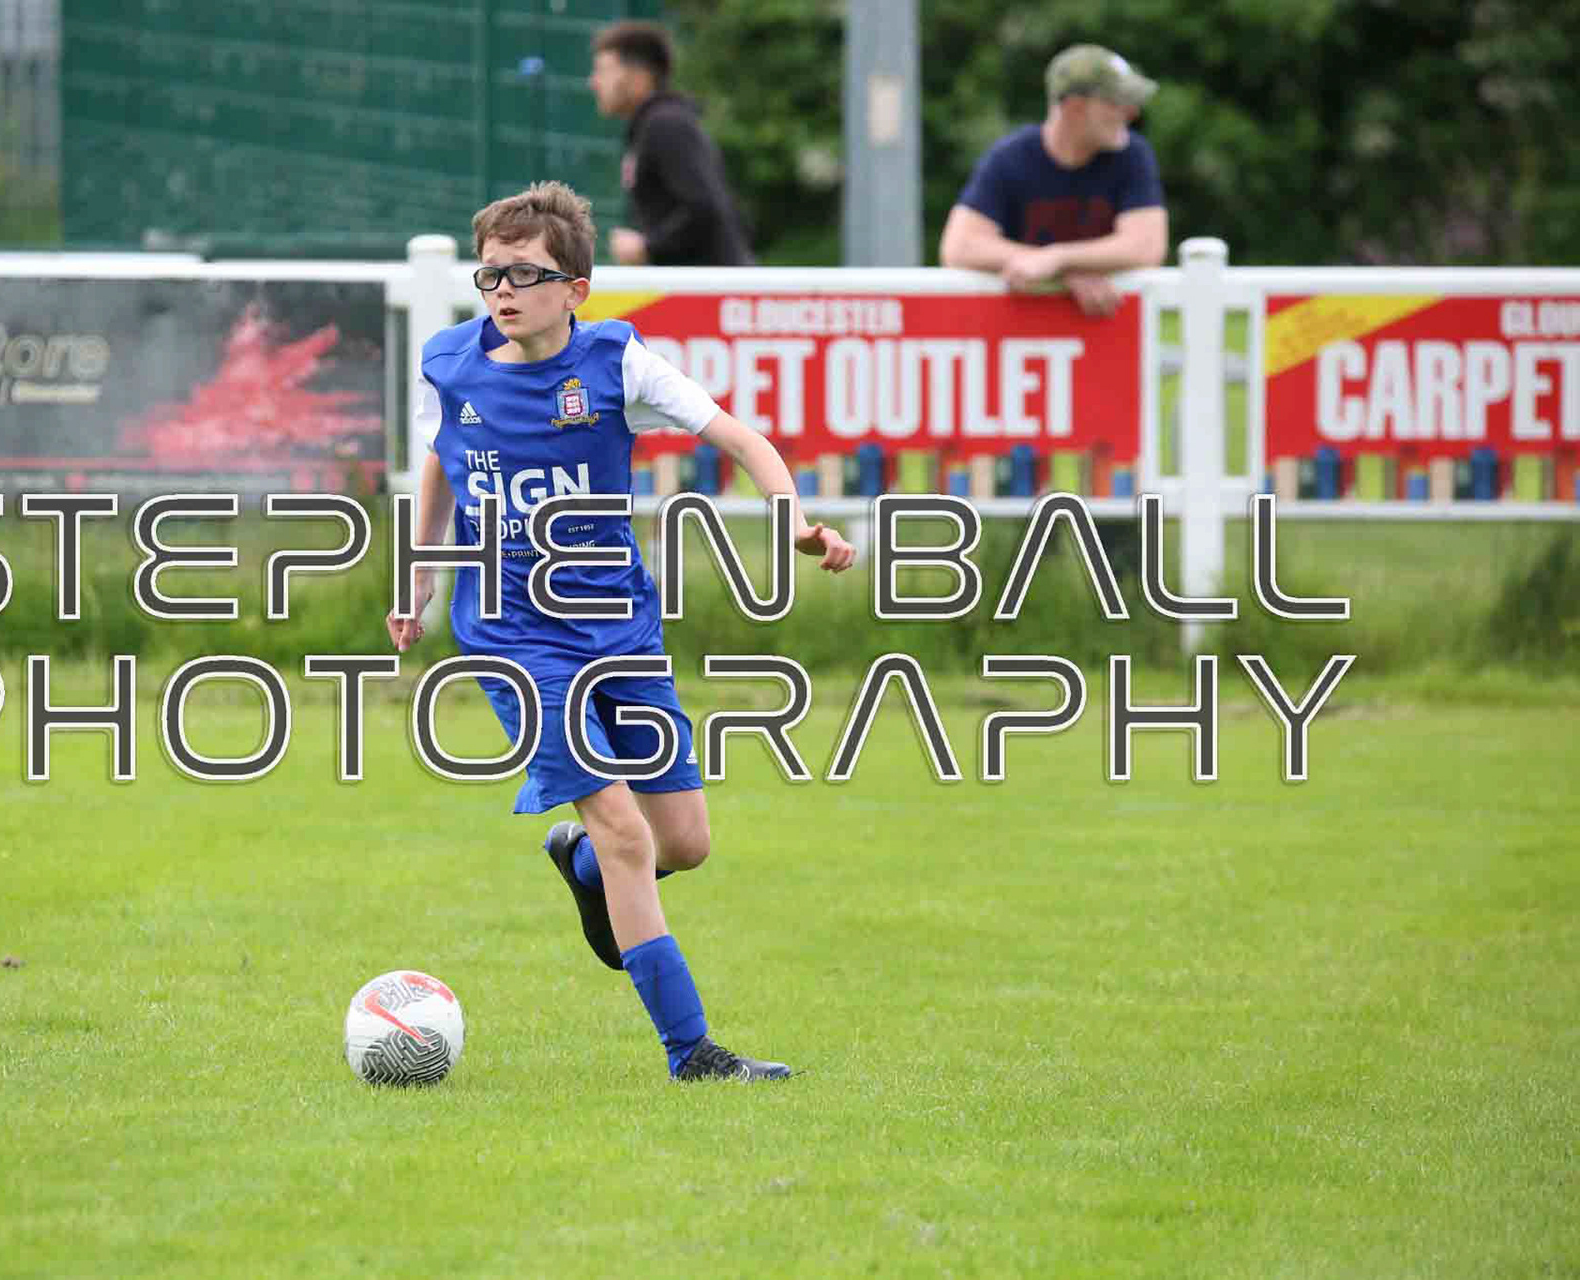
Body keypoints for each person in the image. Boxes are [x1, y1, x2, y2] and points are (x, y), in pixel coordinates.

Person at [389, 181, 853, 1082]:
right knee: (627, 833)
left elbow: (742, 439)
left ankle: (584, 867)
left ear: (576, 289)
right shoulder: (448, 363)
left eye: (525, 273)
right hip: (513, 638)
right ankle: (693, 1053)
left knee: (684, 843)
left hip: (617, 628)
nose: (503, 290)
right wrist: (420, 576)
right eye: (491, 273)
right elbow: (440, 465)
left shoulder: (617, 363)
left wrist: (795, 520)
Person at [938, 44, 1169, 318]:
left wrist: (1057, 259)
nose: (1131, 113)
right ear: (1075, 107)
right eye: (1116, 102)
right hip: (1024, 333)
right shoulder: (1011, 157)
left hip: (1105, 327)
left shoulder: (1132, 154)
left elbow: (1146, 246)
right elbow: (959, 247)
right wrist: (1065, 272)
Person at [588, 21, 755, 267]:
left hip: (710, 285)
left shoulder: (666, 124)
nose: (593, 82)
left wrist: (647, 246)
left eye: (603, 71)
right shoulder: (653, 125)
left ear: (639, 76)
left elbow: (705, 207)